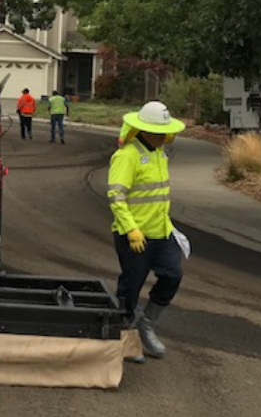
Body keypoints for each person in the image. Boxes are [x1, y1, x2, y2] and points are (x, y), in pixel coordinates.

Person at [107, 101, 185, 361]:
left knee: (172, 275)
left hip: (161, 232)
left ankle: (146, 322)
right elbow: (116, 196)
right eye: (160, 131)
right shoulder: (127, 156)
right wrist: (131, 229)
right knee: (131, 287)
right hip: (134, 236)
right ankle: (126, 337)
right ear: (145, 130)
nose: (165, 136)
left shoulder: (159, 153)